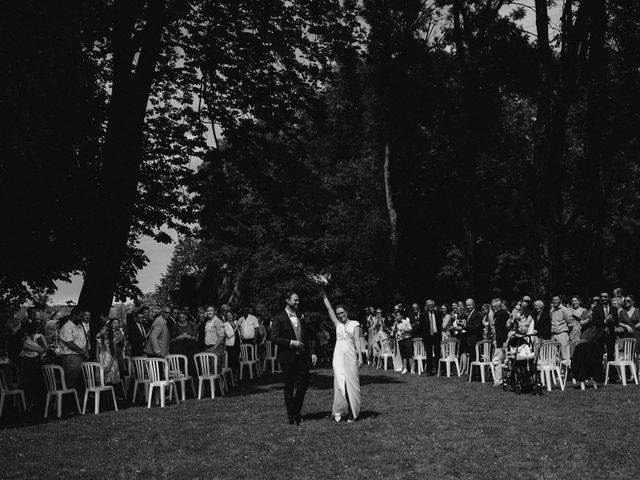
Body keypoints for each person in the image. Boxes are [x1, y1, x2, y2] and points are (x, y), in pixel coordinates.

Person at [270, 292, 317, 425]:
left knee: (303, 384)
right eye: (295, 300)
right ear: (287, 300)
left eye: (298, 300)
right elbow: (273, 338)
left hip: (301, 357)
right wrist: (291, 342)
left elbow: (306, 336)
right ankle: (292, 417)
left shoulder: (300, 317)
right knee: (289, 387)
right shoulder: (279, 318)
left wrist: (312, 352)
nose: (297, 303)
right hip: (287, 357)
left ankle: (295, 411)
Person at [321, 288, 362, 422]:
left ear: (347, 312)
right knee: (339, 382)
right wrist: (323, 292)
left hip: (350, 355)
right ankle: (339, 410)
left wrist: (360, 357)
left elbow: (357, 340)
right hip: (338, 356)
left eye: (342, 313)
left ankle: (352, 412)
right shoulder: (337, 324)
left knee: (351, 383)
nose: (340, 315)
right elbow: (329, 308)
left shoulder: (355, 324)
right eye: (338, 314)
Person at [59, 308, 89, 391]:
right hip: (71, 357)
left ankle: (78, 401)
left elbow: (84, 340)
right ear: (74, 315)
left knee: (80, 382)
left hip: (80, 356)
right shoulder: (67, 327)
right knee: (71, 383)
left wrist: (85, 351)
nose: (82, 318)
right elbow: (70, 344)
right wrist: (83, 352)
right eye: (80, 316)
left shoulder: (80, 326)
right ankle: (69, 401)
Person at [422, 300, 442, 375]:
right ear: (427, 306)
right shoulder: (423, 314)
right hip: (428, 336)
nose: (430, 306)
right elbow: (422, 327)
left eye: (432, 305)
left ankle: (438, 369)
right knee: (429, 354)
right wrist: (423, 337)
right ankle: (429, 370)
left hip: (436, 336)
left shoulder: (438, 313)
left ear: (434, 305)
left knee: (437, 353)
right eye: (429, 305)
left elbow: (440, 325)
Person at [223, 311, 241, 377]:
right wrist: (236, 327)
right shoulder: (225, 324)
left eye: (230, 315)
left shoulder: (235, 323)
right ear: (226, 317)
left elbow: (238, 333)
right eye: (228, 316)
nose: (229, 317)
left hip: (237, 344)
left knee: (237, 361)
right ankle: (231, 378)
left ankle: (236, 376)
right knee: (231, 362)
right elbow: (228, 335)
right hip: (230, 346)